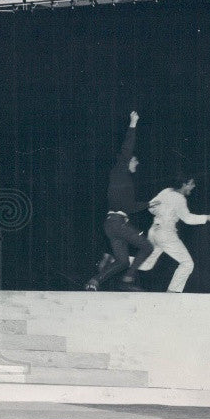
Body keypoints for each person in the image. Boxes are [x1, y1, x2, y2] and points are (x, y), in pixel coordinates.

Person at [85, 111, 154, 292]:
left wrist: (149, 204)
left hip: (112, 224)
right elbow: (127, 149)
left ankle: (95, 280)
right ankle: (130, 276)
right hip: (117, 224)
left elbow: (129, 208)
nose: (136, 164)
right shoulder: (120, 171)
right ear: (127, 161)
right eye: (135, 161)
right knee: (147, 246)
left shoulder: (124, 183)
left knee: (122, 260)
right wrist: (133, 123)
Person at [137, 177, 210, 292]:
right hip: (166, 233)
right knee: (187, 263)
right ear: (184, 184)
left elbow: (150, 207)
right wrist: (207, 217)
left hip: (154, 230)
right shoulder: (179, 198)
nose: (193, 186)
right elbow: (187, 218)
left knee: (146, 264)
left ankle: (119, 260)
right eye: (191, 184)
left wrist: (162, 213)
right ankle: (171, 293)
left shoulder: (167, 191)